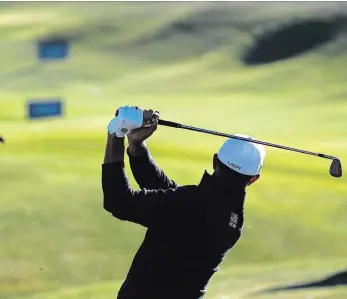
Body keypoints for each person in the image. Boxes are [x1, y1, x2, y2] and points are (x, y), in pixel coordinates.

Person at [102, 106, 266, 299]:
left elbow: (119, 202)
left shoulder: (190, 203)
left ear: (215, 161)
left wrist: (116, 134)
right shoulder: (232, 219)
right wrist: (136, 145)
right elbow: (167, 193)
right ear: (253, 179)